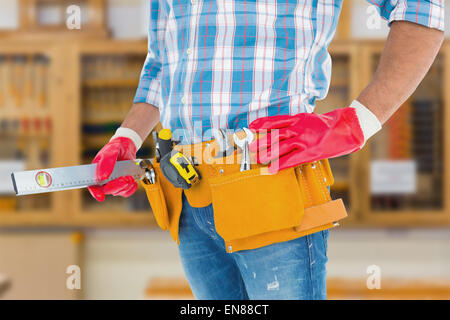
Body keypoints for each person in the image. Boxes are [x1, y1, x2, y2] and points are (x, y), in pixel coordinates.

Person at [88, 0, 444, 299]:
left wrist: (357, 122)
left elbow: (422, 10)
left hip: (270, 182)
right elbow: (161, 65)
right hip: (187, 194)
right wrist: (127, 137)